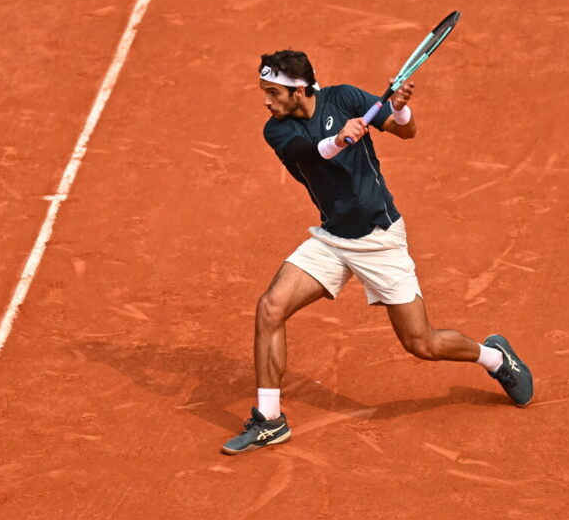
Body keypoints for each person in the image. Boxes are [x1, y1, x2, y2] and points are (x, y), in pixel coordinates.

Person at [221, 49, 533, 455]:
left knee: (421, 343)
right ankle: (269, 421)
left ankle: (495, 358)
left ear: (299, 92)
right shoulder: (276, 131)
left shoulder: (347, 98)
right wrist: (338, 139)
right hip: (333, 239)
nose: (266, 100)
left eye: (272, 92)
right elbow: (309, 153)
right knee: (270, 308)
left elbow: (405, 131)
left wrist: (399, 111)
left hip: (379, 239)